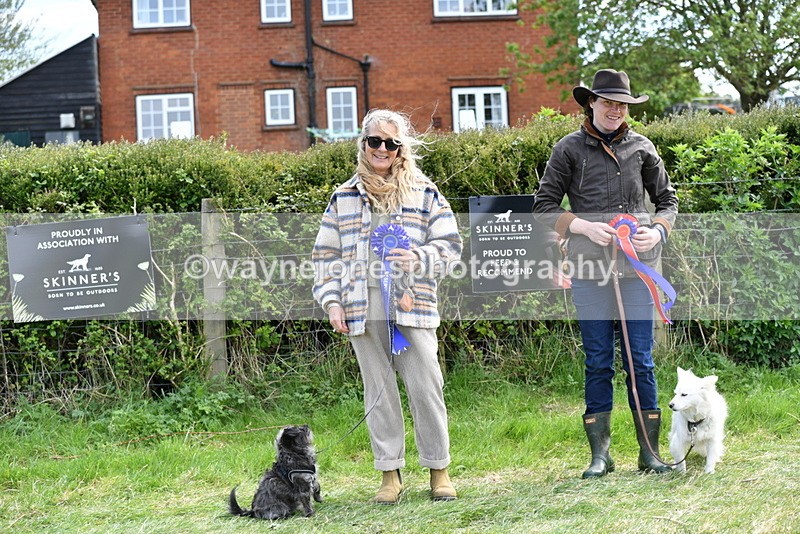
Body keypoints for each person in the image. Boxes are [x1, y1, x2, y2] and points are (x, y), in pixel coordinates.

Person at [533, 69, 678, 478]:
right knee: (598, 361)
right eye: (608, 102)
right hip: (588, 270)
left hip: (637, 271)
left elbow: (667, 201)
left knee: (641, 361)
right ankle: (600, 456)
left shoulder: (643, 148)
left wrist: (658, 230)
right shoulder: (568, 149)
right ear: (591, 103)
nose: (616, 110)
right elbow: (543, 206)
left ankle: (649, 452)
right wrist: (581, 226)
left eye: (622, 104)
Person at [312, 109, 462, 503]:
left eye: (391, 143)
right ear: (363, 144)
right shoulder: (342, 197)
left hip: (414, 304)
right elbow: (325, 256)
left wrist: (420, 258)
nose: (382, 149)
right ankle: (389, 475)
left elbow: (451, 247)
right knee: (377, 391)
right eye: (375, 141)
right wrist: (332, 302)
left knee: (426, 386)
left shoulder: (425, 191)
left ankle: (439, 470)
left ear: (401, 150)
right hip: (361, 306)